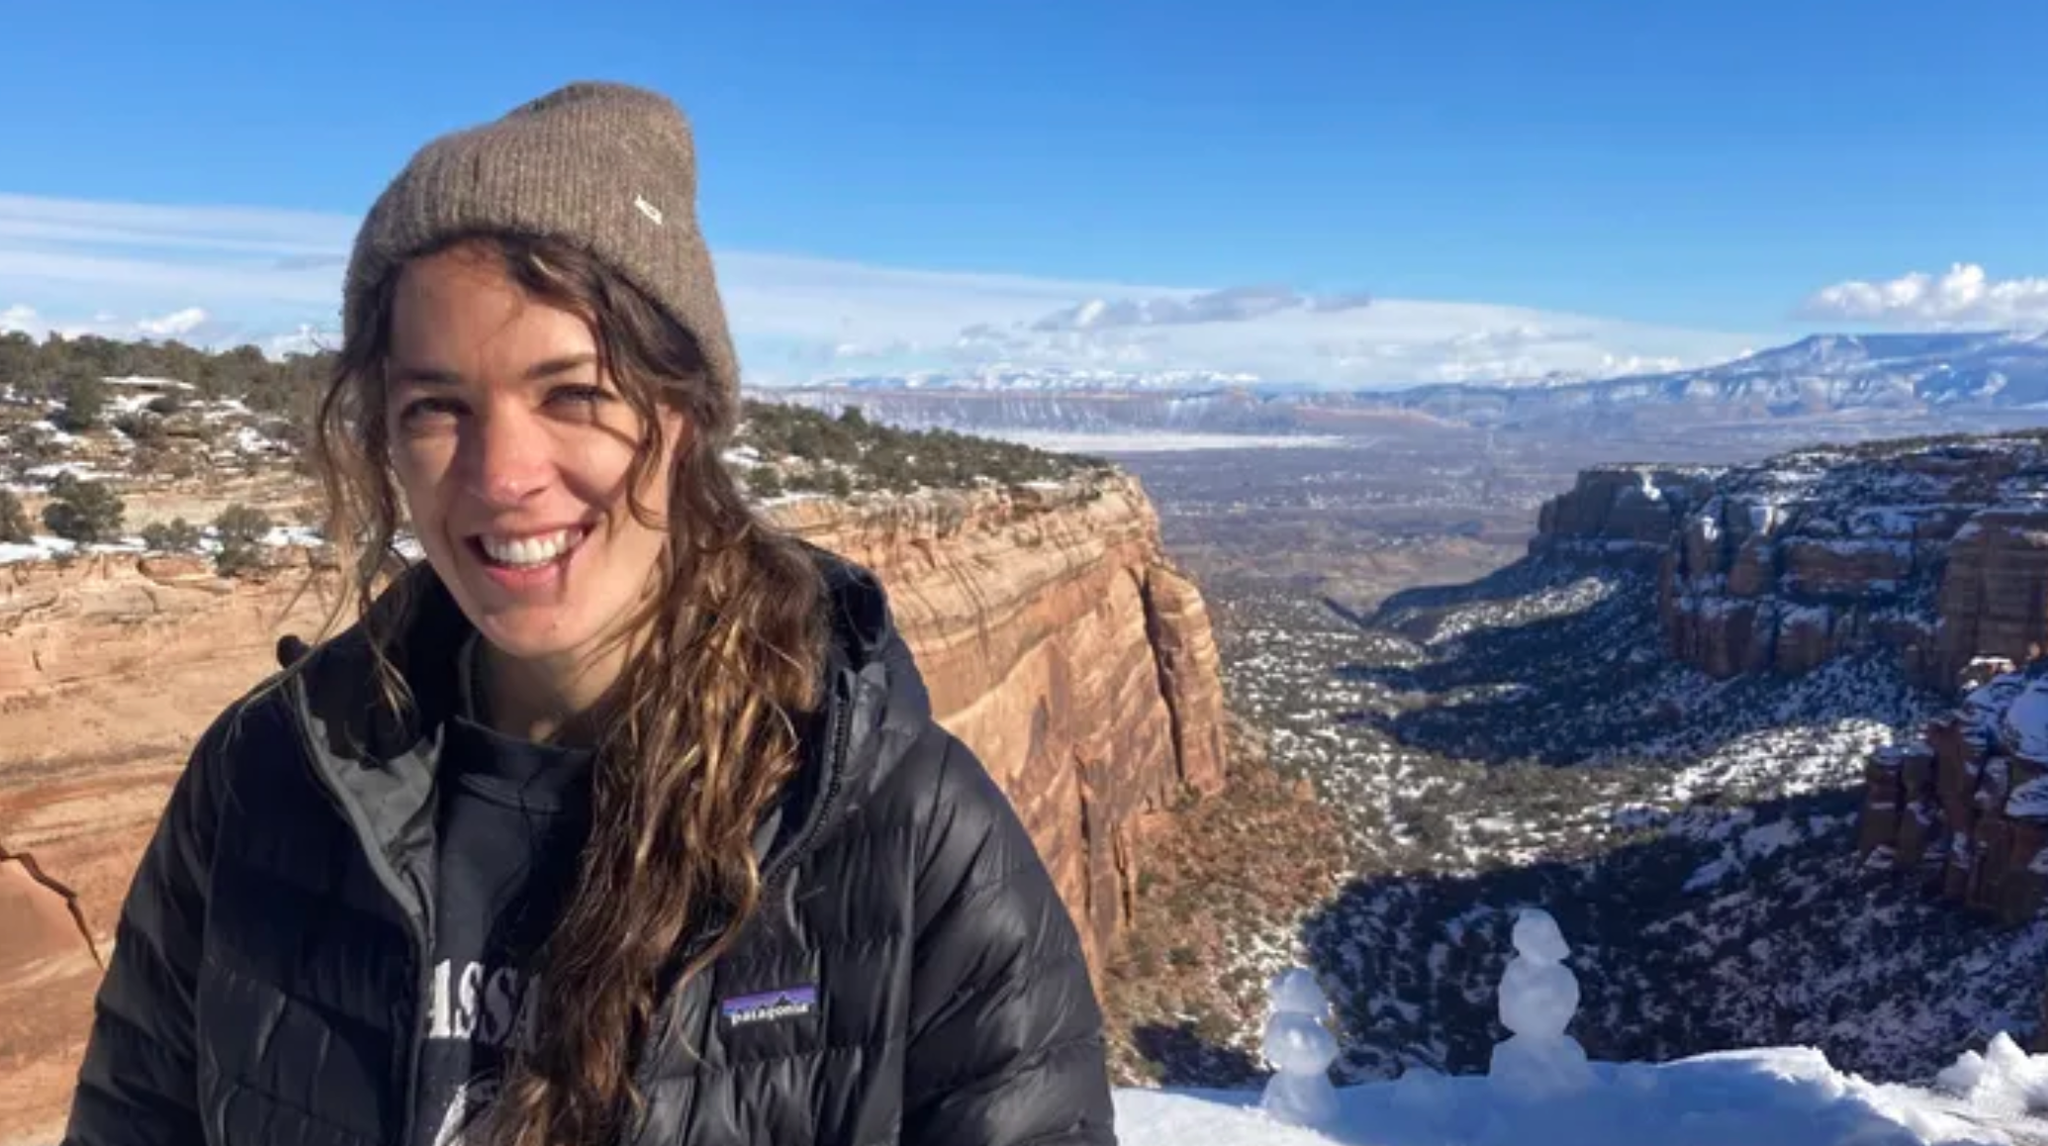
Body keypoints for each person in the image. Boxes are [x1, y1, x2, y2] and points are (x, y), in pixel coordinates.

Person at [63, 81, 1117, 1146]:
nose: (502, 474)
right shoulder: (262, 782)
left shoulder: (906, 834)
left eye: (573, 393)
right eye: (437, 407)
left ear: (683, 414)